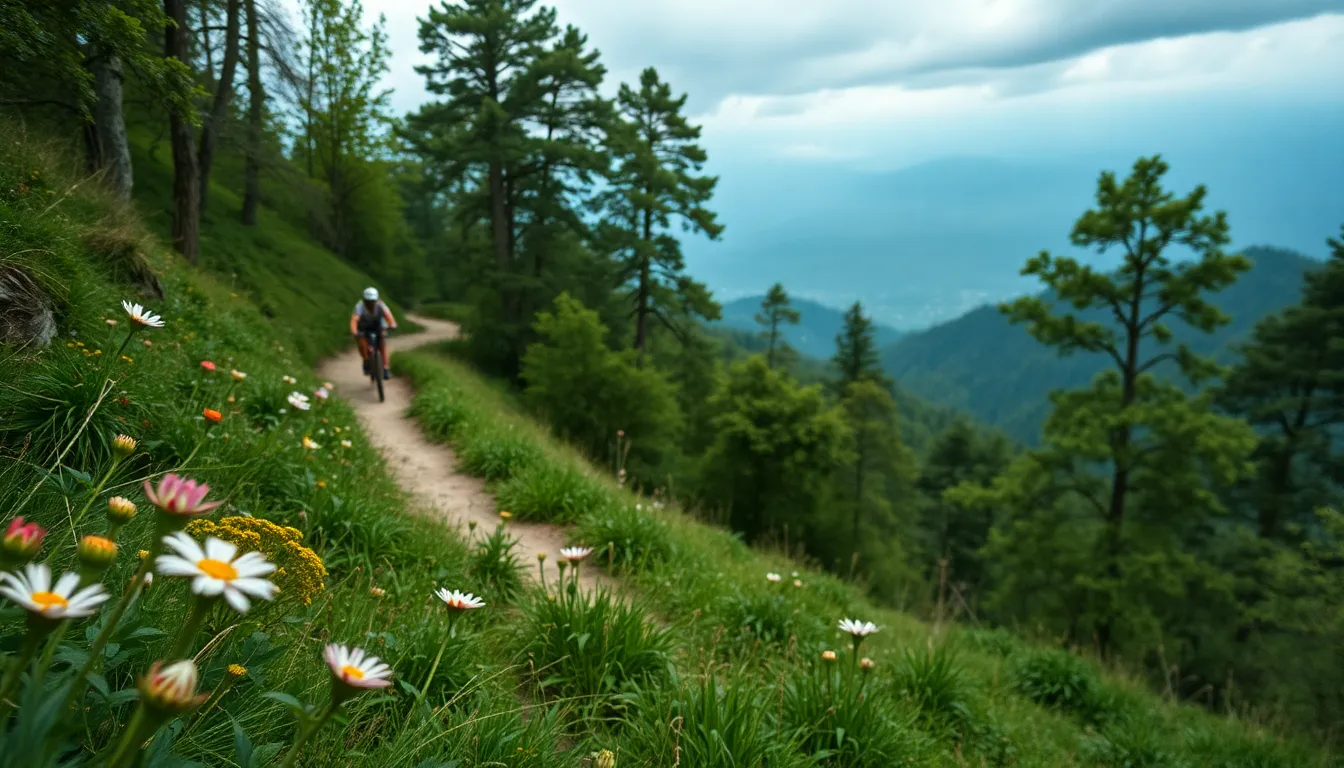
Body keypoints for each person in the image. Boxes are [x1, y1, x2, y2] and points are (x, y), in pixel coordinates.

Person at [350, 287, 397, 379]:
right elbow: (354, 320)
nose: (371, 304)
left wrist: (392, 324)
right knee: (362, 343)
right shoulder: (359, 307)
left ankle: (386, 369)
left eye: (373, 301)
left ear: (377, 299)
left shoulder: (381, 305)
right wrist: (354, 331)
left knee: (382, 344)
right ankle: (366, 360)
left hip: (377, 325)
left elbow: (388, 316)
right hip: (363, 326)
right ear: (364, 300)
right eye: (368, 301)